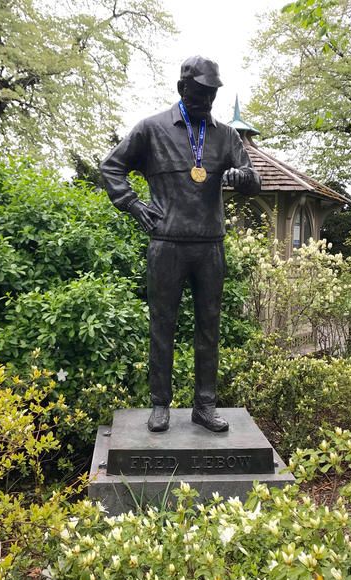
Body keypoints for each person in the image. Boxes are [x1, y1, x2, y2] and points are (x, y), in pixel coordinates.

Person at [100, 56, 261, 432]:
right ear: (182, 89)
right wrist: (133, 203)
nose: (207, 100)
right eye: (201, 92)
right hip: (167, 245)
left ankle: (205, 405)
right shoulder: (152, 129)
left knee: (209, 325)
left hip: (209, 246)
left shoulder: (225, 135)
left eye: (212, 93)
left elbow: (254, 179)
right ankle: (160, 405)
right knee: (163, 325)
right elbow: (112, 167)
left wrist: (243, 177)